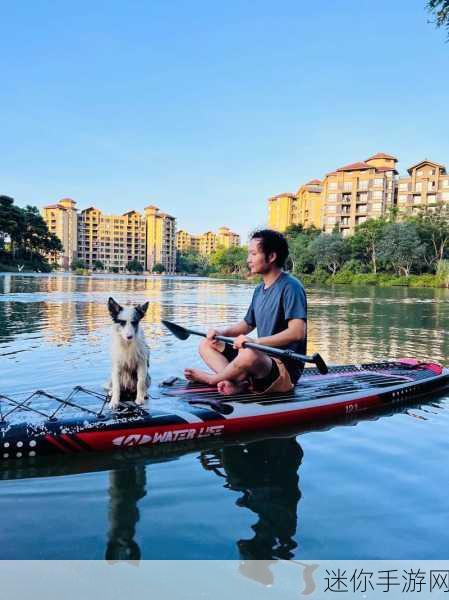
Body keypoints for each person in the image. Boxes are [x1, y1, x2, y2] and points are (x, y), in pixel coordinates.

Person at [184, 229, 307, 395]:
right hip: (259, 358)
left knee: (249, 353)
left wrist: (255, 342)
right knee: (207, 344)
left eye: (253, 254)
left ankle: (214, 379)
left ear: (271, 257)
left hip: (283, 369)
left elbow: (297, 332)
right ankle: (237, 381)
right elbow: (247, 324)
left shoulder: (291, 287)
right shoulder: (259, 290)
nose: (248, 260)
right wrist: (221, 332)